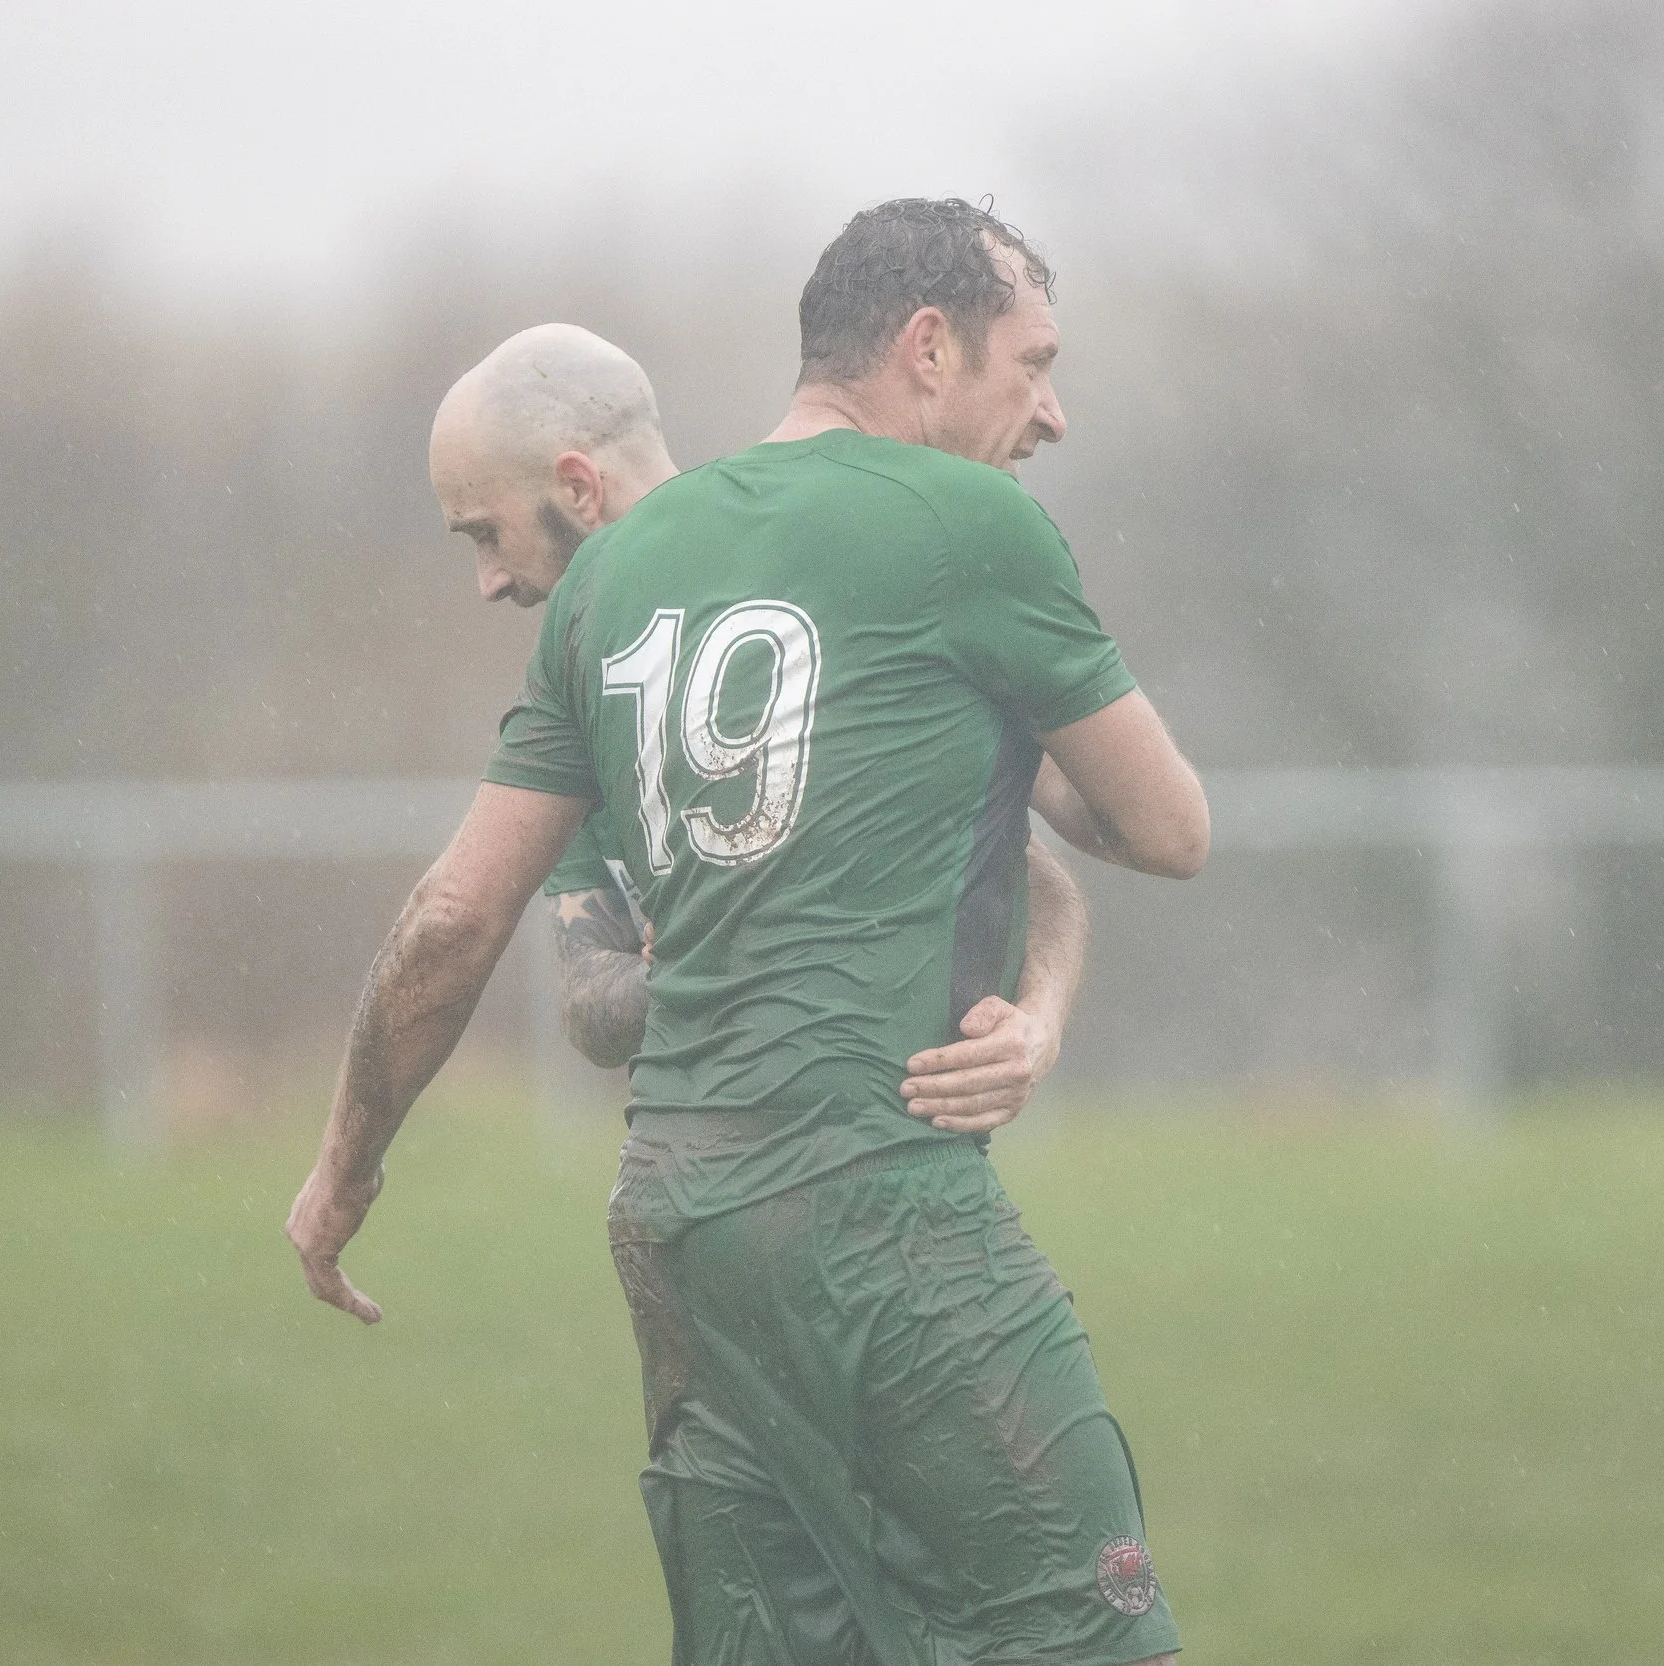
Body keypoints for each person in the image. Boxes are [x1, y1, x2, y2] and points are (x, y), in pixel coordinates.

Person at [289, 198, 1208, 1666]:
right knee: (1090, 1640)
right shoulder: (968, 530)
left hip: (680, 1222)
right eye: (1030, 363)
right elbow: (1169, 831)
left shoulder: (607, 589)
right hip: (876, 1209)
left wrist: (345, 1165)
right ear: (927, 347)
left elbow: (457, 911)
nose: (1051, 413)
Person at [427, 322, 1092, 1127]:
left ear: (577, 487)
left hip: (894, 1153)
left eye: (487, 534)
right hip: (701, 1170)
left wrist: (1038, 1023)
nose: (487, 582)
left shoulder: (819, 568)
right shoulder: (571, 692)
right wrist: (692, 968)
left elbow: (1025, 845)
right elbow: (585, 999)